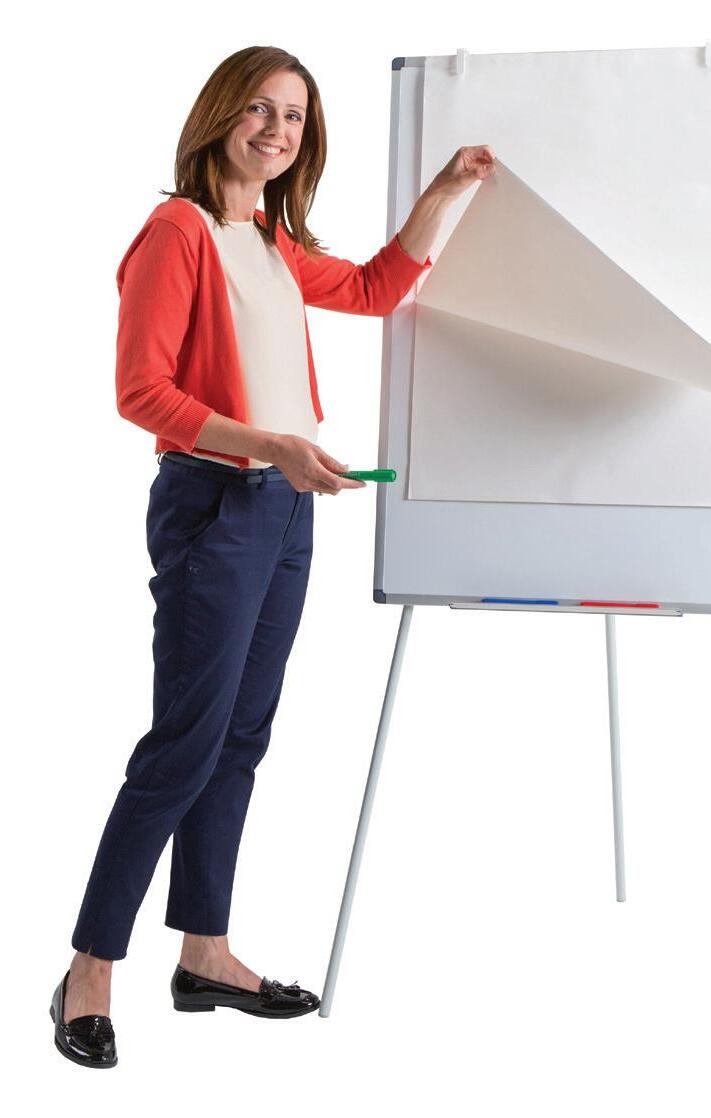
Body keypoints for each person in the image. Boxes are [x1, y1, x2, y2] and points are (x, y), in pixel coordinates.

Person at [50, 43, 495, 1069]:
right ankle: (88, 970)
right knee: (185, 742)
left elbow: (377, 289)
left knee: (241, 736)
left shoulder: (270, 240)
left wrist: (445, 189)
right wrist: (271, 446)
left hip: (287, 508)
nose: (277, 131)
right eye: (259, 109)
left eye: (294, 117)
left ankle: (204, 951)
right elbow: (142, 393)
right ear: (220, 115)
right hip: (217, 502)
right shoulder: (179, 232)